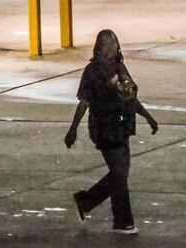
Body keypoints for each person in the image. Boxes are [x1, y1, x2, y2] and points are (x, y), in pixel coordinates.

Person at [64, 30, 159, 234]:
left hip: (123, 128)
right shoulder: (92, 72)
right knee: (119, 175)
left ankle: (87, 201)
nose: (111, 49)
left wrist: (148, 117)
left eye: (114, 45)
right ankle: (123, 221)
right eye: (106, 45)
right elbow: (84, 102)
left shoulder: (120, 67)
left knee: (119, 175)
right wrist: (73, 129)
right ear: (99, 48)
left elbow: (130, 97)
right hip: (104, 129)